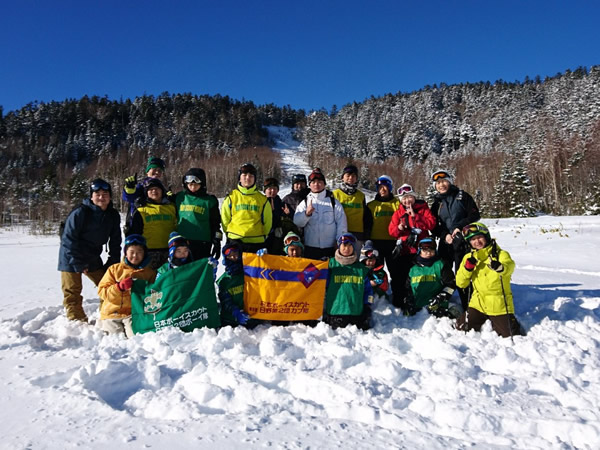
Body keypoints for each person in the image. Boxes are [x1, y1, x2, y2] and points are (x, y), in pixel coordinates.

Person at [58, 178, 121, 322]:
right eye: (97, 194)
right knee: (72, 291)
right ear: (91, 196)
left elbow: (116, 241)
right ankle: (77, 321)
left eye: (105, 193)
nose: (101, 197)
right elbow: (68, 240)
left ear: (110, 196)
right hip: (70, 256)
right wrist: (77, 263)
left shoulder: (112, 215)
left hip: (92, 256)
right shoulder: (80, 213)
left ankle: (108, 315)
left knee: (108, 285)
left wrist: (113, 263)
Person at [455, 223, 523, 338]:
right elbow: (460, 283)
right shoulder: (468, 258)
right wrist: (467, 269)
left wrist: (500, 267)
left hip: (499, 305)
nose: (477, 242)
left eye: (479, 237)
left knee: (510, 335)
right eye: (473, 239)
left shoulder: (501, 254)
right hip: (478, 303)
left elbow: (509, 266)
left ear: (486, 236)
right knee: (461, 327)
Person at [430, 170, 481, 310]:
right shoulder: (436, 203)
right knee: (444, 273)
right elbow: (433, 226)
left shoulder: (462, 196)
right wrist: (444, 234)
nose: (441, 185)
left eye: (444, 181)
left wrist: (460, 227)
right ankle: (442, 302)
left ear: (450, 181)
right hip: (446, 243)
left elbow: (475, 215)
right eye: (438, 183)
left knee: (463, 274)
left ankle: (468, 306)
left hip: (463, 241)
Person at [97, 234, 156, 337]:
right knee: (114, 340)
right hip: (112, 313)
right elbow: (102, 291)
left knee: (135, 338)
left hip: (134, 314)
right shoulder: (114, 269)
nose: (135, 256)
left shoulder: (149, 274)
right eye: (131, 252)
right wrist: (118, 287)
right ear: (125, 252)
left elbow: (155, 294)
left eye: (139, 252)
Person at [387, 184, 436, 309]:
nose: (407, 201)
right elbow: (391, 231)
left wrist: (416, 217)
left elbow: (431, 223)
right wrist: (399, 228)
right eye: (404, 199)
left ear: (414, 197)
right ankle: (400, 299)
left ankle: (421, 298)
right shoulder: (399, 213)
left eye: (409, 197)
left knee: (420, 275)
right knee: (401, 276)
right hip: (405, 249)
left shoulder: (423, 208)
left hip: (421, 250)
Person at [293, 168, 347, 260]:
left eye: (319, 182)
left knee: (329, 273)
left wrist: (339, 242)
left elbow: (342, 224)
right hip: (310, 247)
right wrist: (306, 214)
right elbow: (297, 221)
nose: (316, 184)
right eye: (313, 182)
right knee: (311, 273)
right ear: (309, 185)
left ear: (324, 184)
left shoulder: (333, 203)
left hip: (330, 247)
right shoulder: (305, 202)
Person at [323, 233, 373, 330]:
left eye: (350, 245)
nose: (347, 248)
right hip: (336, 313)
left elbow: (368, 291)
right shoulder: (330, 265)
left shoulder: (361, 269)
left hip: (356, 314)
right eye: (344, 245)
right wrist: (321, 266)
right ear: (339, 246)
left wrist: (368, 305)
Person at [221, 163, 272, 253]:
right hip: (235, 241)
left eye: (251, 176)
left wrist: (262, 236)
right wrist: (230, 234)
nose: (247, 178)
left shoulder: (262, 200)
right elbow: (225, 220)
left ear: (255, 179)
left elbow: (267, 222)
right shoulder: (231, 197)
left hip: (256, 243)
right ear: (239, 178)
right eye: (244, 175)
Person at [127, 177, 177, 269]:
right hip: (148, 252)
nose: (154, 191)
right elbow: (135, 232)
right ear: (146, 193)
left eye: (157, 188)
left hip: (169, 251)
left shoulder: (172, 207)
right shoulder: (141, 210)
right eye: (150, 189)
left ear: (162, 191)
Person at [403, 238, 459, 318]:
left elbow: (451, 284)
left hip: (437, 307)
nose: (428, 253)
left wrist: (441, 297)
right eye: (425, 250)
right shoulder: (413, 269)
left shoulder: (441, 265)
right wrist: (408, 300)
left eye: (431, 250)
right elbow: (408, 288)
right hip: (417, 308)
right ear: (420, 251)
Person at [367, 175, 401, 302]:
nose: (382, 190)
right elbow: (367, 224)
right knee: (377, 272)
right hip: (376, 242)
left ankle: (398, 296)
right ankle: (378, 297)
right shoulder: (371, 205)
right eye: (380, 187)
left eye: (385, 187)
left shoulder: (397, 204)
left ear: (390, 187)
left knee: (395, 272)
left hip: (393, 242)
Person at [174, 168, 221, 260]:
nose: (192, 187)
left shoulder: (209, 201)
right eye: (190, 184)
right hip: (182, 242)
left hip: (202, 242)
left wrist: (217, 240)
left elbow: (215, 222)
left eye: (196, 184)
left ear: (202, 184)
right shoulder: (179, 197)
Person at [122, 157, 169, 233]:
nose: (157, 172)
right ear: (147, 171)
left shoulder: (163, 189)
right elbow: (128, 197)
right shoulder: (141, 186)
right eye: (154, 169)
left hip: (156, 228)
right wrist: (129, 189)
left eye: (160, 171)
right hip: (137, 227)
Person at [216, 242, 255, 328]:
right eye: (230, 255)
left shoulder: (249, 273)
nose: (233, 257)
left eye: (235, 254)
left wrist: (262, 259)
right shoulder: (223, 280)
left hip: (251, 316)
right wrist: (236, 312)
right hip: (230, 320)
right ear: (225, 258)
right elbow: (225, 301)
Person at [332, 164, 373, 245]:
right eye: (348, 175)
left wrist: (366, 234)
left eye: (353, 176)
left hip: (358, 235)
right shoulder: (335, 194)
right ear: (342, 177)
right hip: (340, 235)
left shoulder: (361, 196)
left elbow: (365, 217)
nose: (350, 178)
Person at [263, 177, 285, 255]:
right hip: (262, 237)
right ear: (265, 190)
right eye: (270, 188)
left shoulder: (281, 203)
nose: (272, 191)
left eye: (275, 188)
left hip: (277, 238)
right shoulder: (260, 203)